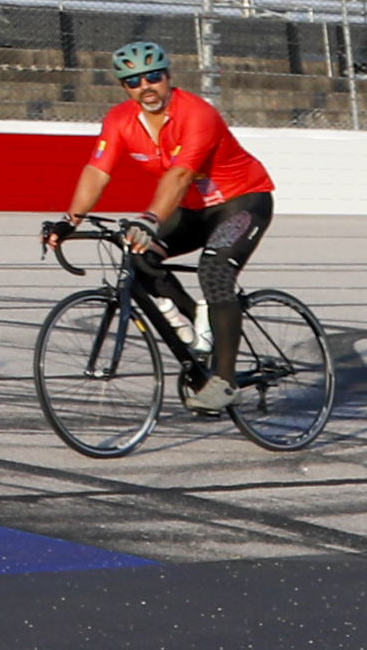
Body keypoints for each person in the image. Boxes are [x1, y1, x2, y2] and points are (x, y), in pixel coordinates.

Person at [44, 38, 278, 416]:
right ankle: (197, 324)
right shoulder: (120, 120)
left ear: (169, 76)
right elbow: (98, 170)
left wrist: (150, 220)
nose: (145, 87)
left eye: (153, 77)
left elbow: (181, 174)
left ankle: (226, 381)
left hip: (241, 202)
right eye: (133, 81)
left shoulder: (197, 114)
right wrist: (71, 220)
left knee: (214, 269)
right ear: (124, 87)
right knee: (138, 256)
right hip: (192, 209)